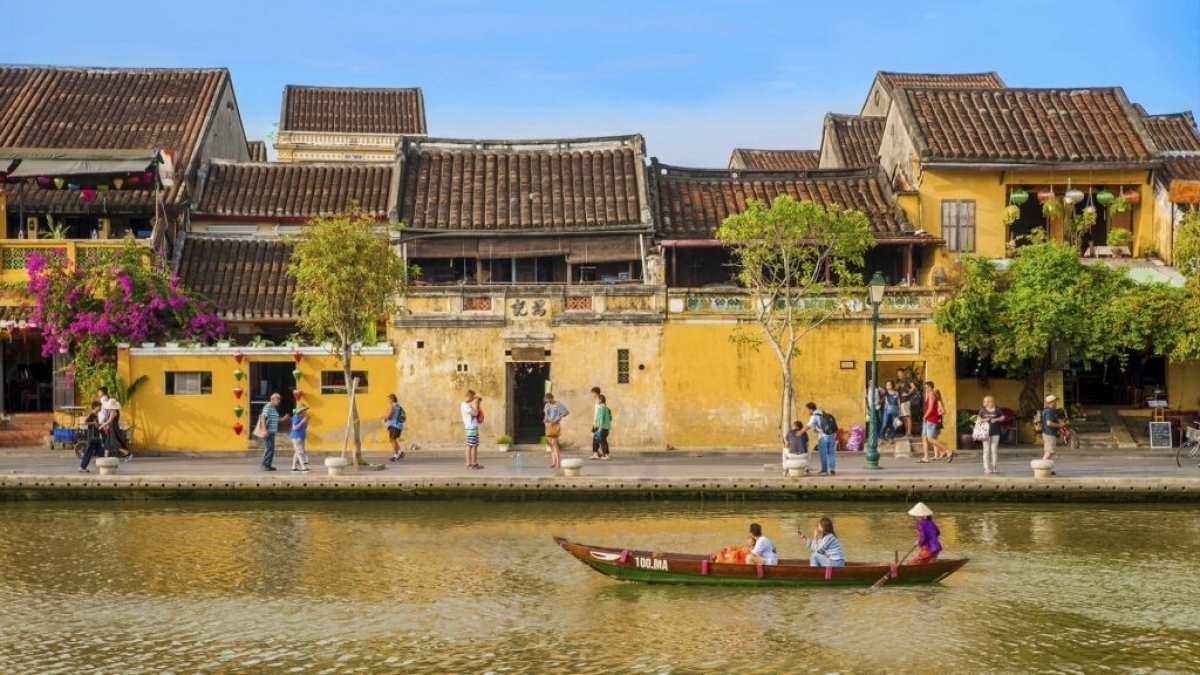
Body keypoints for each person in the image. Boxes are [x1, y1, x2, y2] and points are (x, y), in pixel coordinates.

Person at [919, 381, 950, 463]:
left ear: (930, 387)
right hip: (928, 419)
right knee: (924, 437)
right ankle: (926, 457)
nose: (925, 389)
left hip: (931, 419)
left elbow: (930, 408)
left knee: (930, 438)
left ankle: (947, 451)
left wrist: (924, 416)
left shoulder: (932, 395)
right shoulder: (930, 395)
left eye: (926, 387)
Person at [804, 402, 837, 476]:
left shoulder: (814, 416)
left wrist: (801, 431)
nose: (808, 412)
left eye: (808, 410)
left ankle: (824, 470)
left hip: (823, 437)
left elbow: (809, 425)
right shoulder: (823, 413)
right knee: (831, 453)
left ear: (810, 409)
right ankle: (832, 469)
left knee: (823, 454)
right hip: (832, 435)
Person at [978, 395, 1006, 474]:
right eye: (984, 401)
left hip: (995, 432)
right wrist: (984, 419)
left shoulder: (997, 409)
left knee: (994, 450)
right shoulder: (982, 410)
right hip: (985, 432)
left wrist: (996, 419)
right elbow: (978, 419)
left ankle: (994, 467)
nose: (984, 402)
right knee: (986, 450)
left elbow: (1003, 417)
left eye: (985, 401)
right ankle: (986, 468)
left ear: (990, 402)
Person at [100, 397, 132, 461]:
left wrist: (103, 425)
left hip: (113, 429)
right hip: (111, 428)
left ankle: (128, 454)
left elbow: (110, 421)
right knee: (107, 444)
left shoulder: (113, 411)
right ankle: (105, 458)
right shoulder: (113, 411)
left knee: (115, 443)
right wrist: (105, 423)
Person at [543, 392, 570, 469]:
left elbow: (566, 412)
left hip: (555, 424)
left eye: (550, 400)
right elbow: (546, 414)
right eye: (547, 401)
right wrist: (545, 419)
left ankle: (558, 462)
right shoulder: (547, 405)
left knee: (554, 443)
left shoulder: (558, 404)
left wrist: (559, 417)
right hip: (548, 424)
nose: (549, 402)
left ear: (552, 398)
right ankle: (554, 462)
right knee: (550, 444)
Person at [78, 400, 104, 473]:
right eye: (99, 406)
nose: (100, 408)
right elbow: (85, 422)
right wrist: (93, 423)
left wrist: (99, 424)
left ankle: (105, 466)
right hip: (92, 437)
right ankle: (82, 467)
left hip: (96, 437)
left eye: (101, 406)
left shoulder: (96, 415)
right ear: (95, 407)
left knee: (101, 452)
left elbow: (95, 425)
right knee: (89, 453)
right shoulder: (92, 414)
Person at [461, 390, 483, 470]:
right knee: (471, 445)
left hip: (473, 427)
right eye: (472, 397)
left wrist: (478, 403)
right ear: (469, 396)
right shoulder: (464, 405)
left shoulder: (469, 404)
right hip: (470, 427)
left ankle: (474, 463)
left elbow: (477, 411)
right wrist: (476, 404)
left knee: (475, 445)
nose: (473, 398)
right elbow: (475, 413)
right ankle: (469, 464)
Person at [259, 393, 281, 471]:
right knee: (269, 448)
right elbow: (263, 417)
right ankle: (264, 464)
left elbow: (274, 419)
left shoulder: (273, 408)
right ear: (272, 399)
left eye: (279, 399)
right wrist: (264, 430)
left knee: (271, 448)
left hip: (272, 432)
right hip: (268, 431)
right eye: (277, 399)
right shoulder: (268, 406)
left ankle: (268, 465)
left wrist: (283, 419)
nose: (279, 401)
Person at [1041, 394, 1065, 464]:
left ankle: (1046, 468)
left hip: (1048, 434)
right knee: (1049, 453)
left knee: (1048, 452)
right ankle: (1042, 466)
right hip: (1049, 434)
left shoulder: (1049, 411)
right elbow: (1049, 423)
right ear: (1051, 402)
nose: (1056, 403)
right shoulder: (1048, 411)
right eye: (1055, 401)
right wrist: (1059, 425)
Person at [384, 393, 406, 462]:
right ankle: (400, 452)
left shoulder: (393, 406)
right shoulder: (398, 405)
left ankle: (396, 455)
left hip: (394, 425)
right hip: (399, 425)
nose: (388, 401)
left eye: (389, 399)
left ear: (392, 399)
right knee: (393, 440)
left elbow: (389, 415)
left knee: (392, 440)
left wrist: (385, 418)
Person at [289, 403, 310, 472]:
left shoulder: (302, 417)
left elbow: (305, 427)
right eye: (304, 410)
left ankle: (294, 467)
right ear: (301, 411)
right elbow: (295, 428)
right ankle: (303, 467)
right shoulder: (296, 417)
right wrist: (302, 421)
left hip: (301, 436)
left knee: (297, 452)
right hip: (296, 437)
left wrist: (306, 421)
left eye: (305, 410)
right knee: (299, 452)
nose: (305, 411)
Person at [895, 369, 917, 437]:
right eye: (898, 374)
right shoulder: (899, 382)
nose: (899, 375)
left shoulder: (907, 380)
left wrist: (908, 393)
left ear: (904, 373)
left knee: (907, 416)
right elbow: (895, 389)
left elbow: (913, 387)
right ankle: (907, 433)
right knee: (904, 418)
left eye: (900, 373)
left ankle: (909, 433)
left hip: (906, 401)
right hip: (901, 401)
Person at [591, 393, 612, 460]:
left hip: (602, 427)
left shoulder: (603, 408)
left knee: (603, 441)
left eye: (597, 399)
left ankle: (606, 455)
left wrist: (600, 427)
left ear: (600, 400)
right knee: (596, 440)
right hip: (600, 427)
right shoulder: (602, 407)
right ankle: (596, 454)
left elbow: (601, 418)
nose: (595, 400)